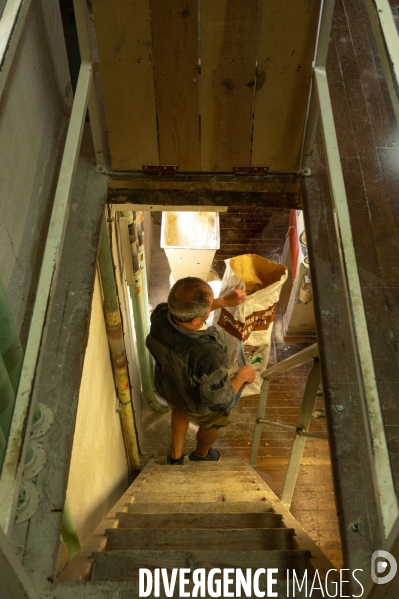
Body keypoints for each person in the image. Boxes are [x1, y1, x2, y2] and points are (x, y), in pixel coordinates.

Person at [146, 277, 256, 464]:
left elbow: (187, 316)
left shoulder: (160, 314)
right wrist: (241, 375)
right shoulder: (208, 352)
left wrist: (223, 302)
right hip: (199, 402)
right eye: (210, 306)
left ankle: (175, 458)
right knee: (211, 423)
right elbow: (218, 399)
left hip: (172, 386)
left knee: (179, 407)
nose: (212, 306)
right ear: (198, 320)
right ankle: (201, 455)